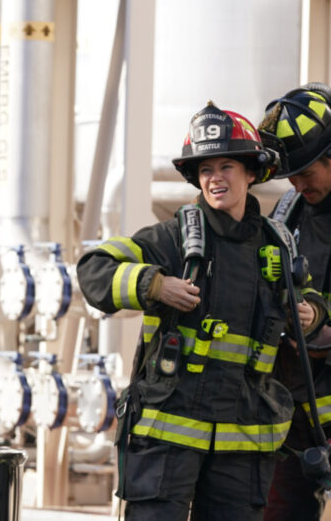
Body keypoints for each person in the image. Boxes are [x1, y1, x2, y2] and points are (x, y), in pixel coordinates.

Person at [77, 102, 326, 520]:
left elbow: (311, 298)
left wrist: (311, 315)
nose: (215, 178)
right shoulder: (171, 240)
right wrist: (154, 284)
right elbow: (94, 270)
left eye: (226, 166)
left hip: (242, 443)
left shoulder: (276, 246)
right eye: (206, 170)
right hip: (167, 440)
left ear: (252, 173)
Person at [259, 83, 331, 520]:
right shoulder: (289, 209)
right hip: (289, 415)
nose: (298, 182)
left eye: (307, 171)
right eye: (292, 174)